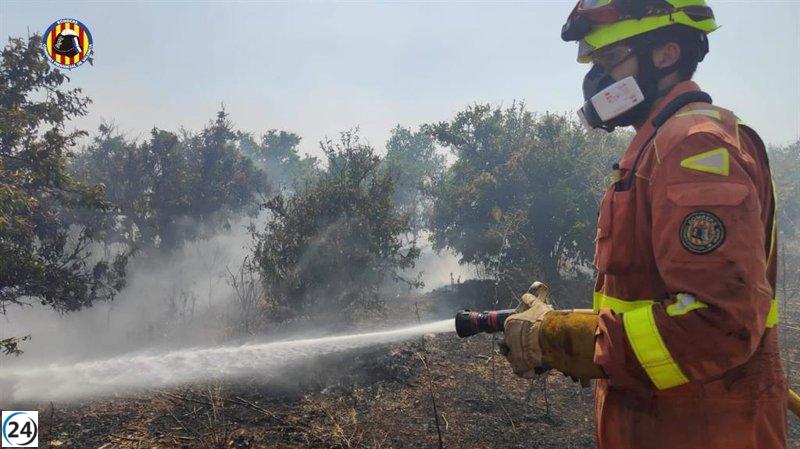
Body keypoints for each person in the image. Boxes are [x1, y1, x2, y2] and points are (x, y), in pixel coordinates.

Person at [500, 1, 787, 448]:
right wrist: (568, 328)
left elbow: (718, 325)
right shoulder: (659, 143)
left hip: (700, 430)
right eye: (595, 64)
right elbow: (646, 297)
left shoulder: (692, 148)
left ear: (666, 55)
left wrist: (567, 340)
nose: (596, 80)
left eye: (610, 60)